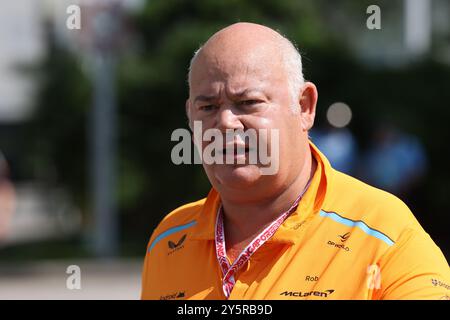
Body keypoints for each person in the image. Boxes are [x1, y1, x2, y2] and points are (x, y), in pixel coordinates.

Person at [141, 23, 450, 300]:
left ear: (304, 106)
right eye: (207, 107)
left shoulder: (384, 235)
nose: (225, 123)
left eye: (248, 102)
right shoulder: (169, 238)